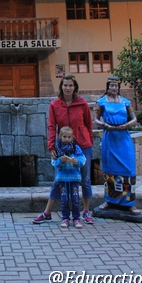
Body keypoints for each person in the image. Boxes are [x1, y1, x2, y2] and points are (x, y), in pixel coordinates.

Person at [33, 73, 94, 224]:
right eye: (65, 85)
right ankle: (47, 212)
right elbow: (51, 127)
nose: (68, 88)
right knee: (58, 179)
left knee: (85, 179)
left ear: (75, 87)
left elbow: (89, 124)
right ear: (61, 87)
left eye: (70, 85)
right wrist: (52, 146)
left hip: (83, 145)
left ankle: (86, 211)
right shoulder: (55, 105)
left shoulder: (82, 103)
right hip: (63, 147)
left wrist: (89, 142)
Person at [94, 76, 141, 213]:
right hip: (110, 138)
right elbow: (96, 120)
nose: (114, 88)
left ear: (118, 87)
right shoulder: (101, 102)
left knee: (128, 169)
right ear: (107, 87)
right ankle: (110, 200)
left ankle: (129, 202)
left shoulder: (125, 102)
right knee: (110, 169)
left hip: (123, 138)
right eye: (111, 85)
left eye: (116, 86)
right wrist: (105, 125)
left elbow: (134, 119)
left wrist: (126, 125)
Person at [51, 126, 86, 228]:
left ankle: (76, 218)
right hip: (62, 179)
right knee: (64, 199)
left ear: (72, 137)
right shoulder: (57, 149)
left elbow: (83, 160)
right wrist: (60, 161)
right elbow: (54, 163)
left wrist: (77, 162)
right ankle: (65, 218)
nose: (67, 139)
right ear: (60, 137)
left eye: (69, 137)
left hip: (74, 178)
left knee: (75, 199)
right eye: (64, 137)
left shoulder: (76, 148)